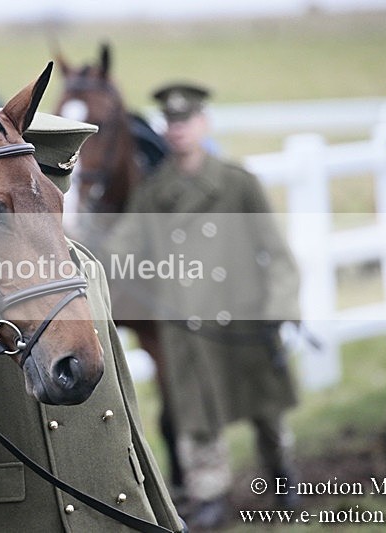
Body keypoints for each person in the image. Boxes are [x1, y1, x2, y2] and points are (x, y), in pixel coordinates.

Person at [0, 112, 185, 532]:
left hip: (112, 504)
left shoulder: (86, 266)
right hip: (16, 517)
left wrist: (163, 513)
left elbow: (123, 408)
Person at [106, 82, 301, 529]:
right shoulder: (155, 192)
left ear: (204, 123)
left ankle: (281, 474)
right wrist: (85, 252)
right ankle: (209, 492)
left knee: (266, 410)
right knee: (196, 416)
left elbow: (277, 253)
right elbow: (124, 244)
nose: (178, 130)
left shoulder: (237, 183)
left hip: (244, 319)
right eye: (171, 122)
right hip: (187, 327)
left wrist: (280, 306)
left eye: (186, 120)